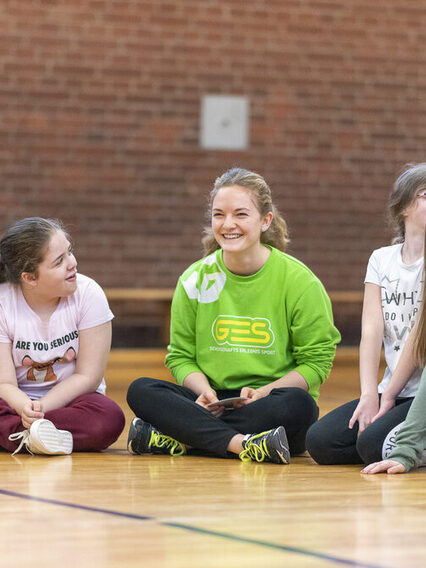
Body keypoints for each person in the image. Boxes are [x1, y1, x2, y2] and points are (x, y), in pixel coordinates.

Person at [127, 167, 340, 465]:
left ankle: (182, 436)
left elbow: (316, 363)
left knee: (300, 406)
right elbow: (180, 356)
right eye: (219, 215)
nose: (228, 224)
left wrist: (264, 392)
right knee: (141, 390)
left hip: (269, 400)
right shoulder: (195, 279)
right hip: (211, 401)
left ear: (265, 221)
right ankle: (243, 444)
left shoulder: (300, 282)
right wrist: (204, 392)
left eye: (241, 214)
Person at [306, 163, 426, 465]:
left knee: (372, 444)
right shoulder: (381, 259)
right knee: (321, 441)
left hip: (417, 393)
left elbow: (417, 338)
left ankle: (410, 446)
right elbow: (371, 331)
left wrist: (388, 397)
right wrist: (369, 393)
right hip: (393, 388)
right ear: (404, 207)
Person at [0, 217, 125, 456]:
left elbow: (88, 377)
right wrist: (24, 407)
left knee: (108, 418)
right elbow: (4, 383)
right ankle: (37, 436)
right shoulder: (3, 303)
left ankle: (22, 436)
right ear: (30, 278)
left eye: (70, 252)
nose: (73, 264)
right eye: (59, 262)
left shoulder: (90, 295)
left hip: (72, 402)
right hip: (14, 402)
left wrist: (41, 408)